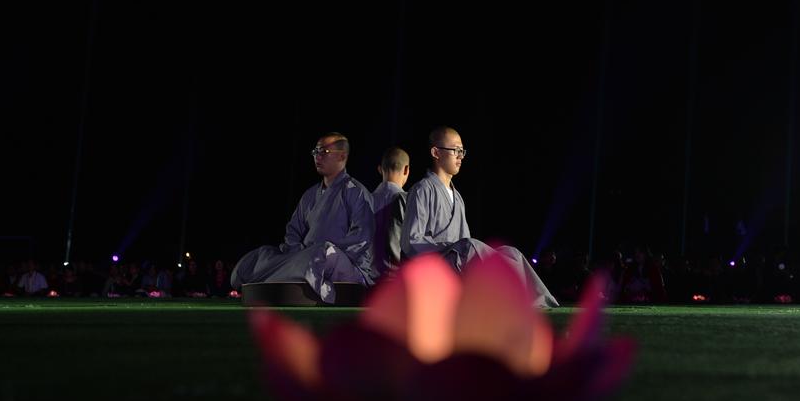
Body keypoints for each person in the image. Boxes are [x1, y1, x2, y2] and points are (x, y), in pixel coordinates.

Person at [400, 126, 558, 308]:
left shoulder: (457, 197)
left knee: (510, 253)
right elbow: (410, 242)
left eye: (462, 151)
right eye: (455, 150)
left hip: (457, 261)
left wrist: (459, 249)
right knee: (469, 246)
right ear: (436, 152)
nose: (460, 156)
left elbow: (463, 241)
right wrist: (451, 249)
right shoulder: (422, 190)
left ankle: (539, 303)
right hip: (434, 266)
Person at [230, 132, 376, 303]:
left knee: (323, 252)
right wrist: (298, 252)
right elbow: (293, 231)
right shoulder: (310, 195)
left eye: (324, 152)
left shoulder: (355, 191)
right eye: (315, 152)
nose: (317, 157)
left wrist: (319, 252)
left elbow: (361, 239)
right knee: (261, 255)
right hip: (305, 257)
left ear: (342, 156)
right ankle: (285, 272)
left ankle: (275, 277)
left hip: (344, 264)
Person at [370, 146, 410, 279]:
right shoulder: (409, 202)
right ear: (406, 170)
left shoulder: (364, 201)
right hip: (396, 283)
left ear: (380, 169)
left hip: (365, 283)